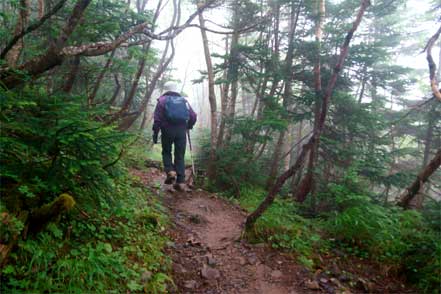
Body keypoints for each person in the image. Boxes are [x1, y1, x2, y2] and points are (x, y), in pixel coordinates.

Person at [152, 81, 197, 192]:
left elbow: (157, 120)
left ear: (166, 89)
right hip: (181, 131)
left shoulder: (162, 101)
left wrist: (155, 134)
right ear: (176, 90)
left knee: (166, 152)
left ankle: (170, 171)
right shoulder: (184, 101)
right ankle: (180, 182)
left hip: (167, 130)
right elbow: (193, 115)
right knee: (179, 155)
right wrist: (189, 126)